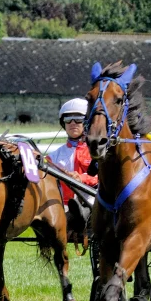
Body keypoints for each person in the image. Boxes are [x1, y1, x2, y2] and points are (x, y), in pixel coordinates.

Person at [46, 98, 98, 242]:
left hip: (92, 200)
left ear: (87, 123)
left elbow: (106, 178)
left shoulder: (97, 152)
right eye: (68, 120)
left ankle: (79, 217)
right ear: (63, 123)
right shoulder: (54, 156)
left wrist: (82, 178)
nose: (73, 123)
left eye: (78, 119)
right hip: (63, 204)